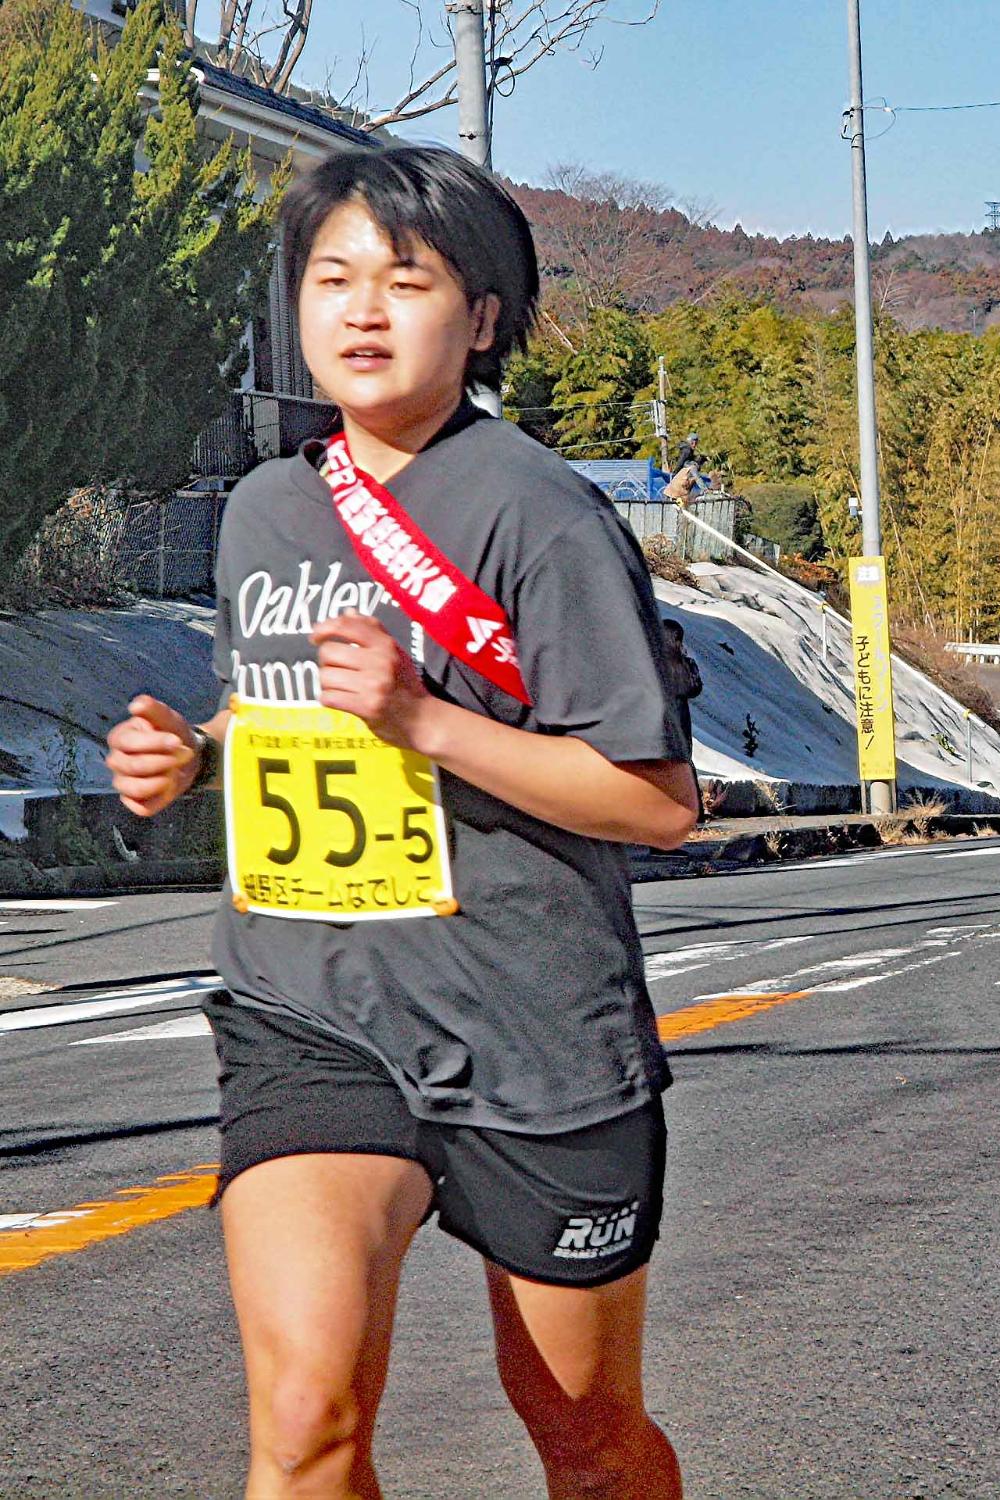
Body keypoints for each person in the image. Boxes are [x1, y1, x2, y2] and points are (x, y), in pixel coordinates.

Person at [104, 147, 699, 1498]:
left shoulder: (543, 517)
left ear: (481, 316)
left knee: (590, 1443)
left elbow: (657, 802)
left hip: (534, 1031)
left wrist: (427, 724)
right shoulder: (268, 507)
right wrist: (189, 757)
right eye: (333, 279)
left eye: (406, 280)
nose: (362, 311)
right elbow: (275, 708)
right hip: (311, 1005)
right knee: (307, 1418)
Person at [658, 616, 703, 793]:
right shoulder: (684, 663)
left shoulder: (653, 662)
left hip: (661, 716)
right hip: (677, 715)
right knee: (682, 759)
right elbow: (695, 688)